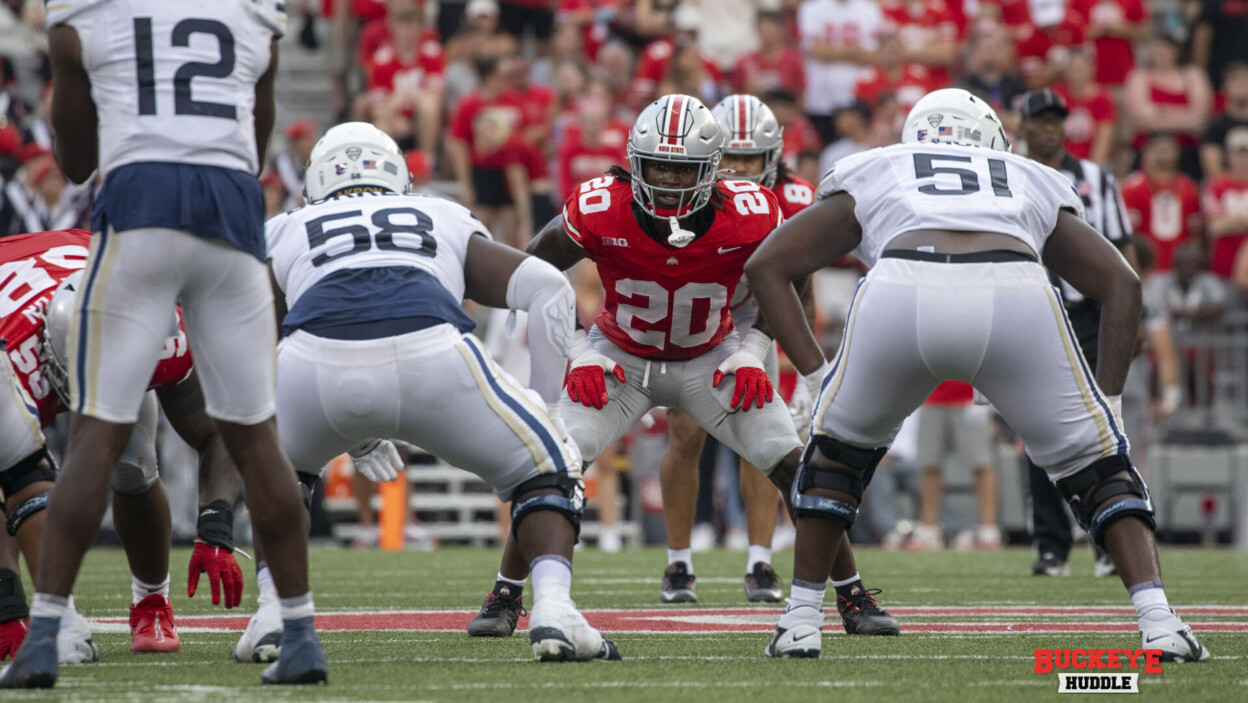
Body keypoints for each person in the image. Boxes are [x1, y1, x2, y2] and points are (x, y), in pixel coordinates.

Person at [746, 87, 1210, 664]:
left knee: (832, 464)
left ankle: (799, 622)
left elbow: (767, 264)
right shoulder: (1027, 173)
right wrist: (1109, 401)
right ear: (994, 138)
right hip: (1014, 289)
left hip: (901, 288)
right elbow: (1123, 284)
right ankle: (1159, 623)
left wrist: (815, 374)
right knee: (1100, 471)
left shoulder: (880, 164)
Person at [467, 94, 899, 638]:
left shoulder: (751, 210)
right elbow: (535, 267)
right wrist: (577, 347)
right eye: (659, 166)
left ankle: (851, 595)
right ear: (634, 162)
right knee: (553, 467)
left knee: (794, 465)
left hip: (711, 356)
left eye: (683, 168)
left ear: (713, 170)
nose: (669, 180)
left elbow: (793, 275)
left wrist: (753, 348)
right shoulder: (603, 205)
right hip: (620, 356)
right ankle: (506, 594)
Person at [1, 0, 327, 688]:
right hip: (233, 215)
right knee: (256, 434)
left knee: (98, 434)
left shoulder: (80, 14)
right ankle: (299, 632)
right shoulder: (253, 11)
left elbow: (77, 159)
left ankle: (45, 635)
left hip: (142, 209)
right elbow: (259, 144)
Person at [242, 121, 619, 665]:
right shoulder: (438, 212)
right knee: (548, 468)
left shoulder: (285, 226)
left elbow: (254, 328)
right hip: (433, 354)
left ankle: (272, 614)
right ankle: (555, 611)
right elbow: (553, 289)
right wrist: (548, 411)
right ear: (399, 174)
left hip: (313, 362)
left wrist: (348, 430)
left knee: (279, 473)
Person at [0, 231, 247, 661]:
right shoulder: (14, 359)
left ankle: (151, 601)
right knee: (14, 469)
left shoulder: (166, 333)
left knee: (132, 465)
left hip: (78, 269)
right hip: (15, 322)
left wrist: (215, 525)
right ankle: (45, 615)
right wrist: (8, 607)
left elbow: (215, 432)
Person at [648, 94, 825, 605]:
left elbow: (803, 288)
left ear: (772, 158)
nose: (739, 169)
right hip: (697, 314)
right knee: (684, 434)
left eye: (751, 159)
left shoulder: (795, 200)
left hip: (754, 320)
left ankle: (760, 561)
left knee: (762, 438)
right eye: (731, 158)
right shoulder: (688, 190)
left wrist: (806, 369)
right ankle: (678, 562)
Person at [1018, 88, 1137, 578]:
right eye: (1039, 120)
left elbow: (1123, 246)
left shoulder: (1095, 180)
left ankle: (1109, 540)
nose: (1048, 128)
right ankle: (1052, 547)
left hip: (1088, 313)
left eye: (1055, 120)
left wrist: (1135, 317)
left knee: (1101, 424)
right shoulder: (1010, 173)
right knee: (1036, 429)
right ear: (1023, 126)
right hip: (1032, 309)